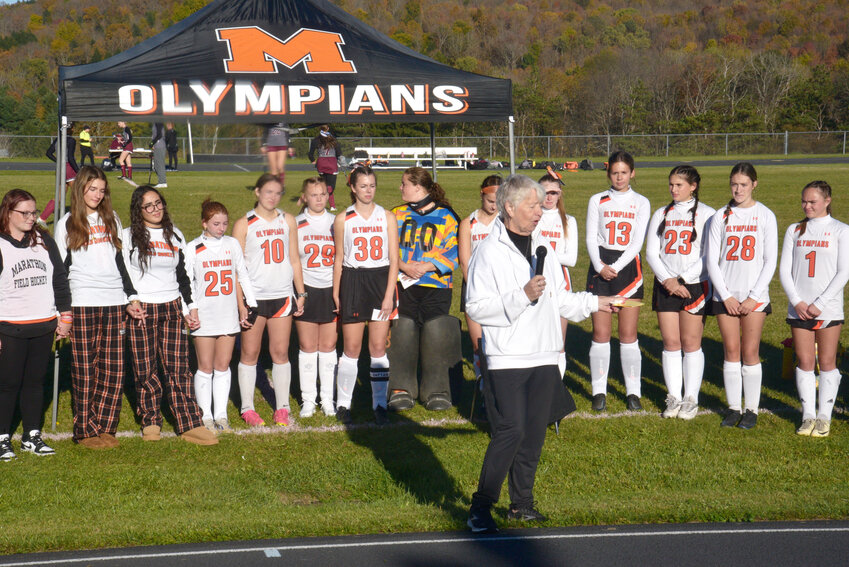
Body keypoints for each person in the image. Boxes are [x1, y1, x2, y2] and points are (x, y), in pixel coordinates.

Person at [465, 174, 618, 533]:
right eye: (533, 205)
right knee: (511, 431)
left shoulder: (541, 247)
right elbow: (475, 307)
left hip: (545, 354)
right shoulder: (487, 252)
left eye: (540, 204)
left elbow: (559, 298)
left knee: (534, 434)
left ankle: (522, 505)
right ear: (509, 207)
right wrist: (522, 295)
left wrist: (597, 302)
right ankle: (480, 508)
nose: (540, 210)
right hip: (509, 359)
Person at [54, 166, 142, 449]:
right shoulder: (66, 223)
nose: (97, 194)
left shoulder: (111, 218)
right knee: (84, 369)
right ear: (80, 189)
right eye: (92, 189)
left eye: (102, 190)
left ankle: (106, 427)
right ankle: (85, 430)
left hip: (114, 301)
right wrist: (62, 310)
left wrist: (131, 296)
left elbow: (121, 262)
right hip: (82, 302)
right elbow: (60, 270)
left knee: (113, 369)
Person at [123, 186, 217, 445]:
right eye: (148, 206)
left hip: (172, 307)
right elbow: (123, 273)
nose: (155, 209)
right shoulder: (128, 236)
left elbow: (183, 276)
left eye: (158, 203)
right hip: (143, 309)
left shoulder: (174, 234)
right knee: (145, 368)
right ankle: (151, 420)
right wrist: (131, 300)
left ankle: (188, 421)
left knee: (178, 368)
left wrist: (190, 307)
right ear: (138, 210)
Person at [0, 189, 71, 460]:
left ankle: (31, 435)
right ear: (8, 213)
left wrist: (65, 316)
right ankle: (2, 437)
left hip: (43, 324)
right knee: (7, 384)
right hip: (10, 326)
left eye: (34, 212)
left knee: (34, 383)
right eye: (26, 213)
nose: (33, 217)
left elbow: (59, 279)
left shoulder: (43, 240)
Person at [706, 162, 778, 430]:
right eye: (734, 184)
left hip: (753, 297)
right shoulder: (720, 216)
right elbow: (712, 260)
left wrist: (753, 296)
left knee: (750, 352)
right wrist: (725, 296)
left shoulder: (765, 216)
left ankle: (752, 409)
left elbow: (770, 260)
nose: (738, 189)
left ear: (754, 184)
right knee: (731, 351)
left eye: (744, 184)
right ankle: (734, 407)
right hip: (726, 296)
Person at [232, 173, 306, 427]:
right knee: (250, 353)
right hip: (255, 299)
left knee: (280, 352)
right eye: (268, 192)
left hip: (282, 295)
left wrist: (301, 292)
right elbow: (236, 269)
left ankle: (282, 407)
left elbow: (294, 259)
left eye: (278, 193)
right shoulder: (244, 224)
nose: (273, 197)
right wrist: (241, 303)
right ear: (257, 192)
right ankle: (247, 408)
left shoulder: (289, 220)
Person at [645, 165, 716, 420]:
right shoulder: (661, 213)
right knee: (671, 343)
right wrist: (668, 280)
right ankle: (673, 396)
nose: (674, 189)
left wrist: (682, 279)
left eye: (679, 185)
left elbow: (710, 254)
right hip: (666, 285)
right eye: (671, 185)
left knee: (690, 343)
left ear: (693, 186)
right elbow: (652, 252)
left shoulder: (708, 214)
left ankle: (691, 399)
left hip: (694, 284)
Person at [779, 181, 849, 437]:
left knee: (827, 361)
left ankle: (824, 418)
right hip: (799, 308)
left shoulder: (841, 231)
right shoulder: (795, 230)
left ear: (827, 201)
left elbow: (844, 272)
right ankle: (808, 415)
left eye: (813, 202)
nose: (807, 206)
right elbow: (785, 271)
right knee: (806, 361)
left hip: (827, 308)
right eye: (804, 201)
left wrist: (819, 304)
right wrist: (797, 301)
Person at [388, 167, 461, 412]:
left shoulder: (448, 216)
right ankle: (401, 387)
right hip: (403, 284)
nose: (400, 188)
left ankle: (437, 388)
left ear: (418, 188)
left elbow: (456, 252)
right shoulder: (396, 215)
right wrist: (405, 266)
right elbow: (387, 249)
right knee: (402, 329)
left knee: (436, 331)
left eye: (404, 184)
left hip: (436, 286)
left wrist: (428, 266)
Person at [332, 165, 399, 425]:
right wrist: (338, 293)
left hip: (380, 279)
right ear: (352, 187)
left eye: (372, 185)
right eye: (363, 186)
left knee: (378, 347)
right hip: (353, 280)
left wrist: (387, 296)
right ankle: (343, 404)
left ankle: (379, 404)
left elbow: (394, 259)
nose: (368, 191)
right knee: (351, 348)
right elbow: (339, 259)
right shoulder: (343, 219)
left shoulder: (387, 216)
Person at [585, 151, 651, 411]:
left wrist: (615, 267)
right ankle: (598, 391)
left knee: (628, 334)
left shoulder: (642, 202)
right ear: (608, 173)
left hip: (629, 272)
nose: (619, 177)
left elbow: (637, 243)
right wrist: (601, 267)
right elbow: (591, 237)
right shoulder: (597, 200)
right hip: (599, 269)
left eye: (624, 172)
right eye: (615, 172)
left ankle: (633, 392)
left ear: (632, 173)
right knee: (601, 333)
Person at [185, 199, 258, 432]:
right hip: (204, 315)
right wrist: (190, 309)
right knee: (205, 366)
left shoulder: (232, 244)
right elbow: (185, 282)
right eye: (216, 224)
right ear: (204, 223)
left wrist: (250, 303)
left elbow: (242, 275)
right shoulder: (193, 248)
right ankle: (205, 415)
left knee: (223, 365)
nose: (221, 228)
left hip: (227, 314)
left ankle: (221, 414)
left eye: (225, 223)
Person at [294, 178, 338, 418]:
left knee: (329, 346)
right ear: (304, 197)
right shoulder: (296, 223)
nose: (319, 198)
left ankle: (328, 399)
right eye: (314, 195)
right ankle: (308, 399)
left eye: (323, 194)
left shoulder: (336, 222)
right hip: (307, 289)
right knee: (308, 346)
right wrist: (300, 292)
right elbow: (293, 261)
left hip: (331, 289)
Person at [534, 167, 579, 377]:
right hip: (534, 279)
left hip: (560, 282)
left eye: (554, 193)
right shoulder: (531, 218)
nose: (549, 197)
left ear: (560, 194)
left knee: (558, 342)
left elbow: (571, 259)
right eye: (545, 192)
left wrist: (544, 254)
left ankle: (556, 385)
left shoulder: (568, 221)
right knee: (535, 339)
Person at [458, 175, 500, 381]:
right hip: (475, 289)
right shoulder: (469, 223)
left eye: (499, 201)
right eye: (490, 201)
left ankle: (499, 386)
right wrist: (476, 287)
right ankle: (483, 388)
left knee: (499, 342)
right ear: (481, 195)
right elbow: (464, 261)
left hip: (501, 289)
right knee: (478, 344)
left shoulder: (506, 221)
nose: (494, 206)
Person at [43, 127, 80, 222]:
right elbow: (71, 158)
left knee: (59, 195)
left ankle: (42, 218)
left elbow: (48, 153)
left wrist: (58, 161)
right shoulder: (71, 140)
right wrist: (78, 171)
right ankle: (81, 217)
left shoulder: (57, 139)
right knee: (78, 193)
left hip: (59, 168)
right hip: (68, 167)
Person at [308, 125, 342, 211]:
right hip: (331, 164)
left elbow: (310, 154)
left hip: (321, 163)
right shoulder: (333, 139)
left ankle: (327, 205)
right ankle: (332, 206)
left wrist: (314, 161)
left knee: (325, 186)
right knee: (331, 187)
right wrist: (341, 161)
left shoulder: (316, 140)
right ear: (328, 129)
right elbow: (339, 153)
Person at [262, 123, 295, 187]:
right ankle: (275, 186)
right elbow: (265, 134)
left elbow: (288, 135)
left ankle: (281, 184)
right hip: (271, 146)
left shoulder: (284, 123)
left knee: (280, 167)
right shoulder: (269, 122)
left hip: (282, 146)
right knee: (273, 171)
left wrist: (290, 146)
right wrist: (263, 145)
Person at [150, 122, 167, 189]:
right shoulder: (155, 122)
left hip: (160, 146)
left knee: (160, 164)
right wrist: (153, 144)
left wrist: (152, 142)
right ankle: (161, 181)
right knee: (156, 165)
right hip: (157, 146)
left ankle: (163, 182)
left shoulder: (159, 122)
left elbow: (159, 135)